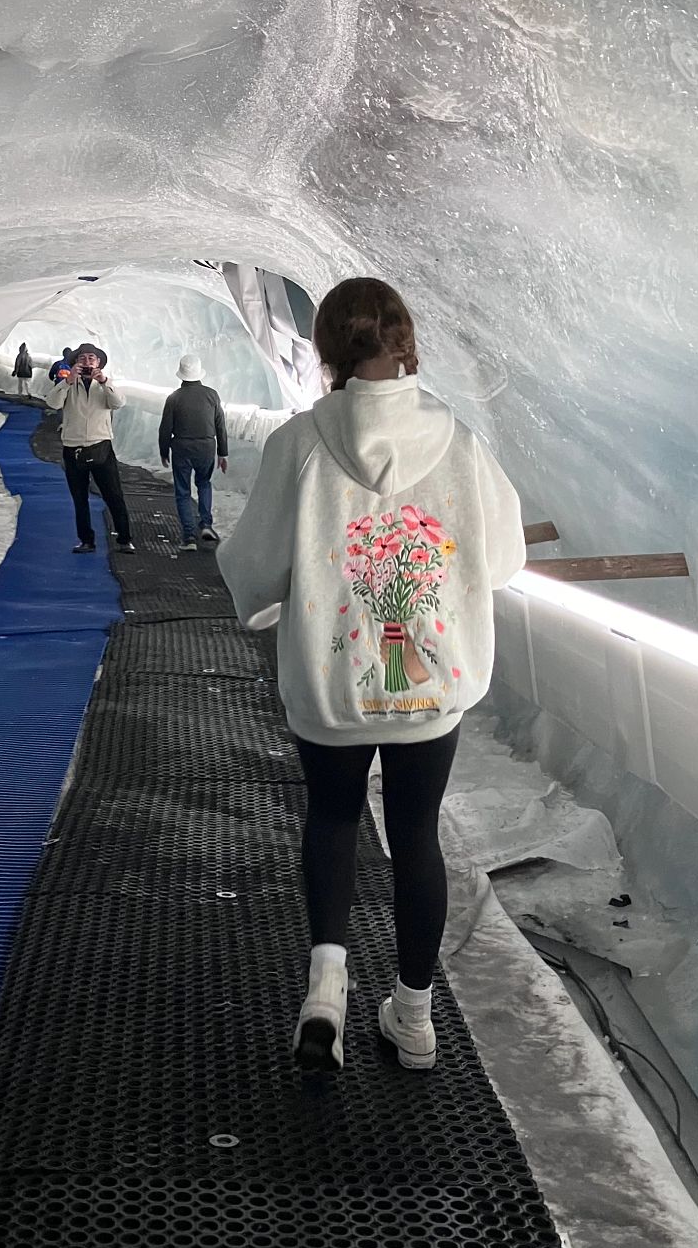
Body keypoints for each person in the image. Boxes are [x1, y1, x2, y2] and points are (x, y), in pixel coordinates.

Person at [218, 278, 525, 1075]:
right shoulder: (457, 441)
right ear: (407, 342)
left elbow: (254, 567)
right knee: (416, 836)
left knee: (332, 819)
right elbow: (503, 556)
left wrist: (265, 604)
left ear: (326, 351)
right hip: (429, 688)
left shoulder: (299, 443)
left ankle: (326, 989)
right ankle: (414, 1017)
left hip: (331, 686)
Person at [46, 341, 136, 556]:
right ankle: (86, 540)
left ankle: (125, 539)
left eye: (91, 359)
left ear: (99, 363)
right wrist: (67, 381)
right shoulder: (69, 384)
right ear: (75, 363)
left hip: (100, 446)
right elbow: (53, 403)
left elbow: (118, 403)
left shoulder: (105, 385)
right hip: (73, 447)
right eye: (82, 358)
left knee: (114, 495)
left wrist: (104, 382)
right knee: (80, 498)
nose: (87, 362)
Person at [158, 353, 228, 551]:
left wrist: (164, 451)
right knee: (204, 484)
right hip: (206, 446)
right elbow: (220, 426)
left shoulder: (174, 398)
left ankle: (188, 537)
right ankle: (206, 524)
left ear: (180, 375)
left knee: (182, 491)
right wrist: (223, 453)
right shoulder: (212, 395)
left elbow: (165, 428)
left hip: (181, 447)